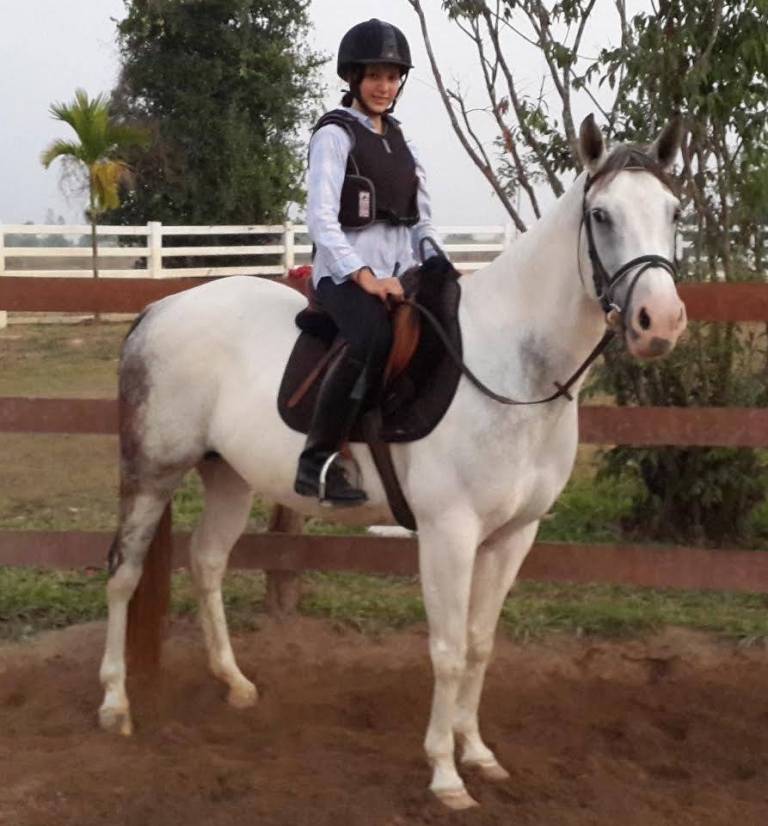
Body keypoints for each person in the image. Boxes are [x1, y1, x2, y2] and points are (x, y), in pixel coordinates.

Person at [294, 17, 445, 507]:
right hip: (344, 274)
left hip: (401, 274)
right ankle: (319, 459)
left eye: (393, 76)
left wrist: (440, 265)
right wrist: (364, 276)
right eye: (376, 76)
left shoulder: (404, 143)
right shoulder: (334, 137)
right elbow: (320, 219)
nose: (385, 86)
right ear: (352, 78)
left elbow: (423, 222)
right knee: (373, 339)